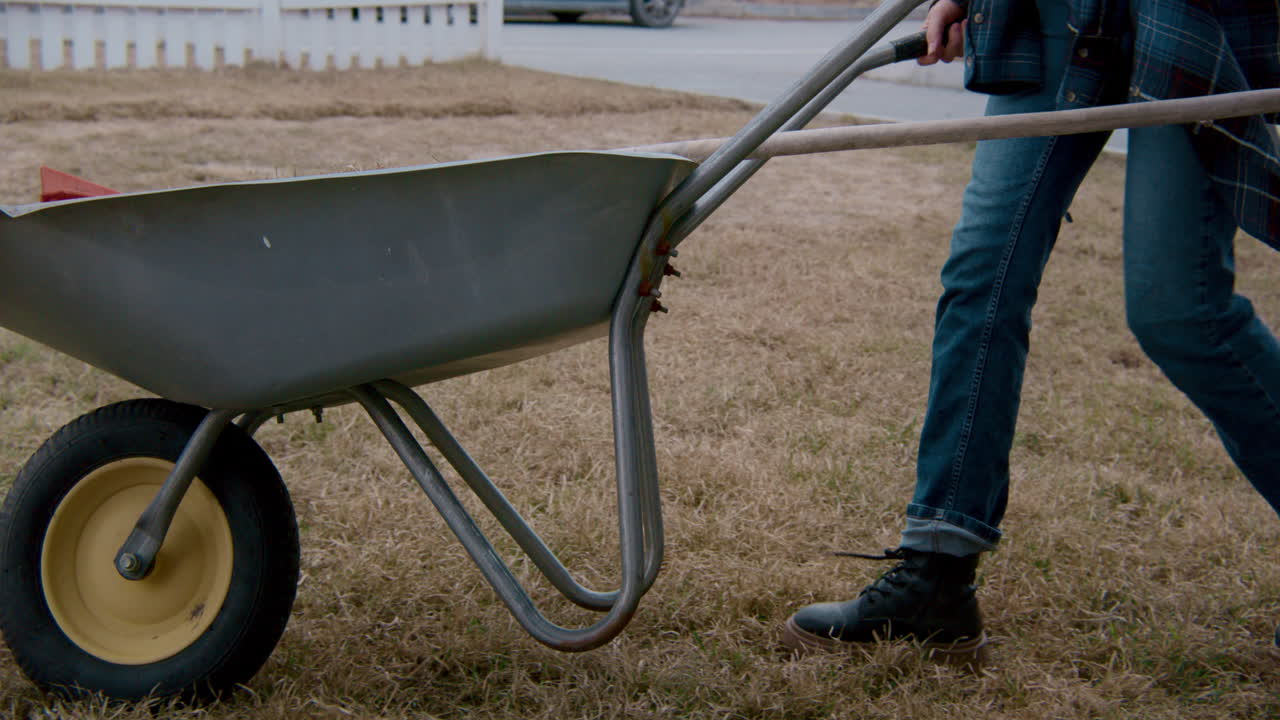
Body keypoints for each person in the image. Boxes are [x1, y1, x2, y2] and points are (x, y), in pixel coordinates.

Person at [782, 0, 1280, 663]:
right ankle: (938, 573)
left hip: (1185, 18)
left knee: (1180, 312)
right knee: (982, 276)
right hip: (1050, 15)